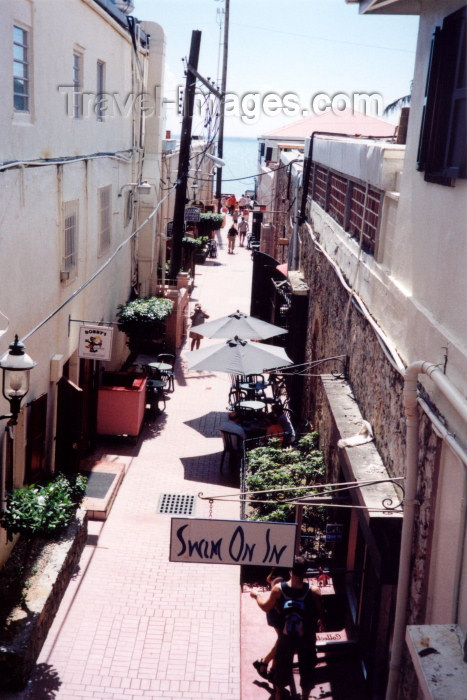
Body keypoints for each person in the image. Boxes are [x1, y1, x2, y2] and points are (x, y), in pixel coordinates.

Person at [250, 556, 325, 700]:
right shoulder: (314, 592)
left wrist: (256, 595)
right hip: (306, 640)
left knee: (281, 674)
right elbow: (321, 616)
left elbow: (265, 607)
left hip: (286, 639)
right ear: (305, 572)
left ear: (291, 571)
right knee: (307, 673)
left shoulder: (279, 589)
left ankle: (278, 696)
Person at [251, 568, 288, 681]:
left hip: (279, 612)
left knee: (281, 640)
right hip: (277, 612)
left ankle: (268, 667)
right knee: (282, 641)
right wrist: (257, 595)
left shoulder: (279, 572)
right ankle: (265, 663)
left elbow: (269, 579)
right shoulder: (281, 577)